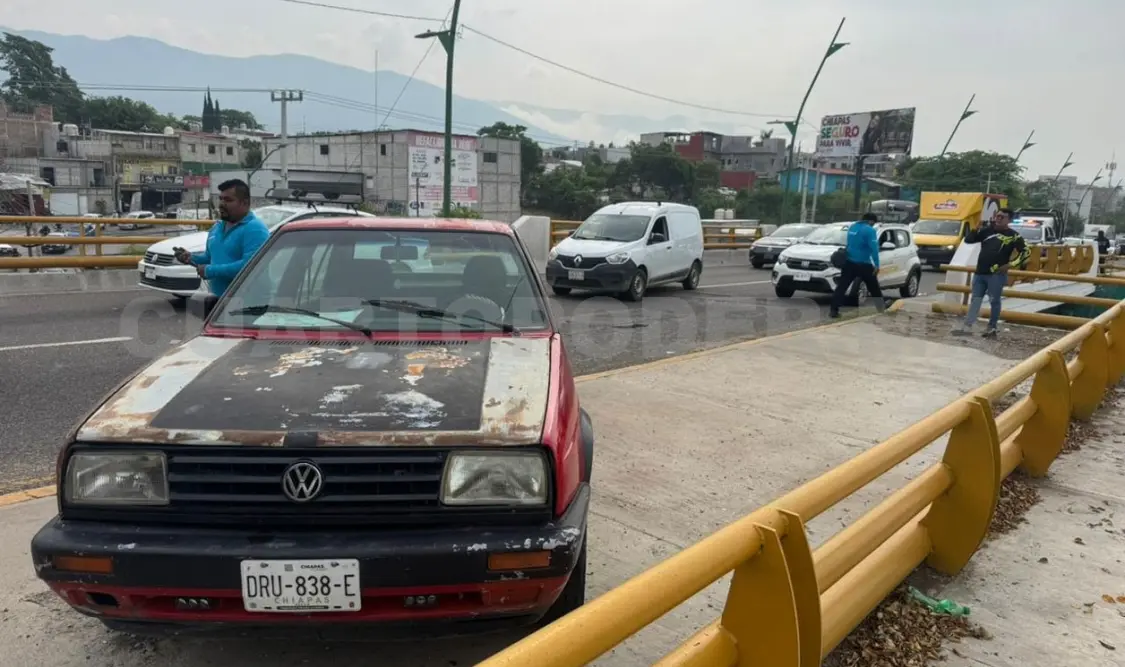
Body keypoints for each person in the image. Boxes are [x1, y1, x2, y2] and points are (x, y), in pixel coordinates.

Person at [173, 179, 269, 299]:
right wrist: (191, 258)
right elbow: (210, 257)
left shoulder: (255, 229)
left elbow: (250, 266)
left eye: (228, 200)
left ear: (244, 203)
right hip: (217, 302)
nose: (222, 204)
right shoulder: (217, 227)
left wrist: (210, 271)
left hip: (246, 304)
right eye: (221, 199)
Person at [952, 208, 1030, 339]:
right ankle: (968, 326)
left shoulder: (1014, 236)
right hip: (980, 272)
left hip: (996, 275)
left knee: (994, 301)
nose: (998, 219)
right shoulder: (987, 231)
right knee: (975, 299)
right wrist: (976, 228)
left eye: (1002, 217)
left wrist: (1011, 264)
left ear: (1009, 220)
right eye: (997, 216)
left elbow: (1026, 252)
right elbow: (969, 240)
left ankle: (992, 328)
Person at [829, 212, 884, 318]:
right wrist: (877, 264)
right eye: (873, 223)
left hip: (849, 262)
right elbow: (874, 248)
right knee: (874, 287)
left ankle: (833, 310)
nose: (873, 225)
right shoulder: (870, 230)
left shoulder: (853, 227)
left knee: (842, 287)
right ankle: (881, 308)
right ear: (871, 221)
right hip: (864, 264)